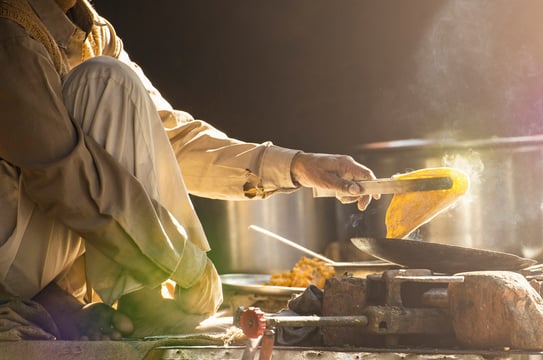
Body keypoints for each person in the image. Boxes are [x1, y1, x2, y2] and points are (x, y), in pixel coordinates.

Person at [0, 0, 377, 340]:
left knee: (109, 80)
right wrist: (184, 264)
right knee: (106, 80)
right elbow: (64, 177)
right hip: (9, 256)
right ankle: (143, 298)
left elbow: (171, 137)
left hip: (42, 253)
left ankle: (112, 298)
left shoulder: (91, 30)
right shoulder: (11, 32)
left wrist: (299, 166)